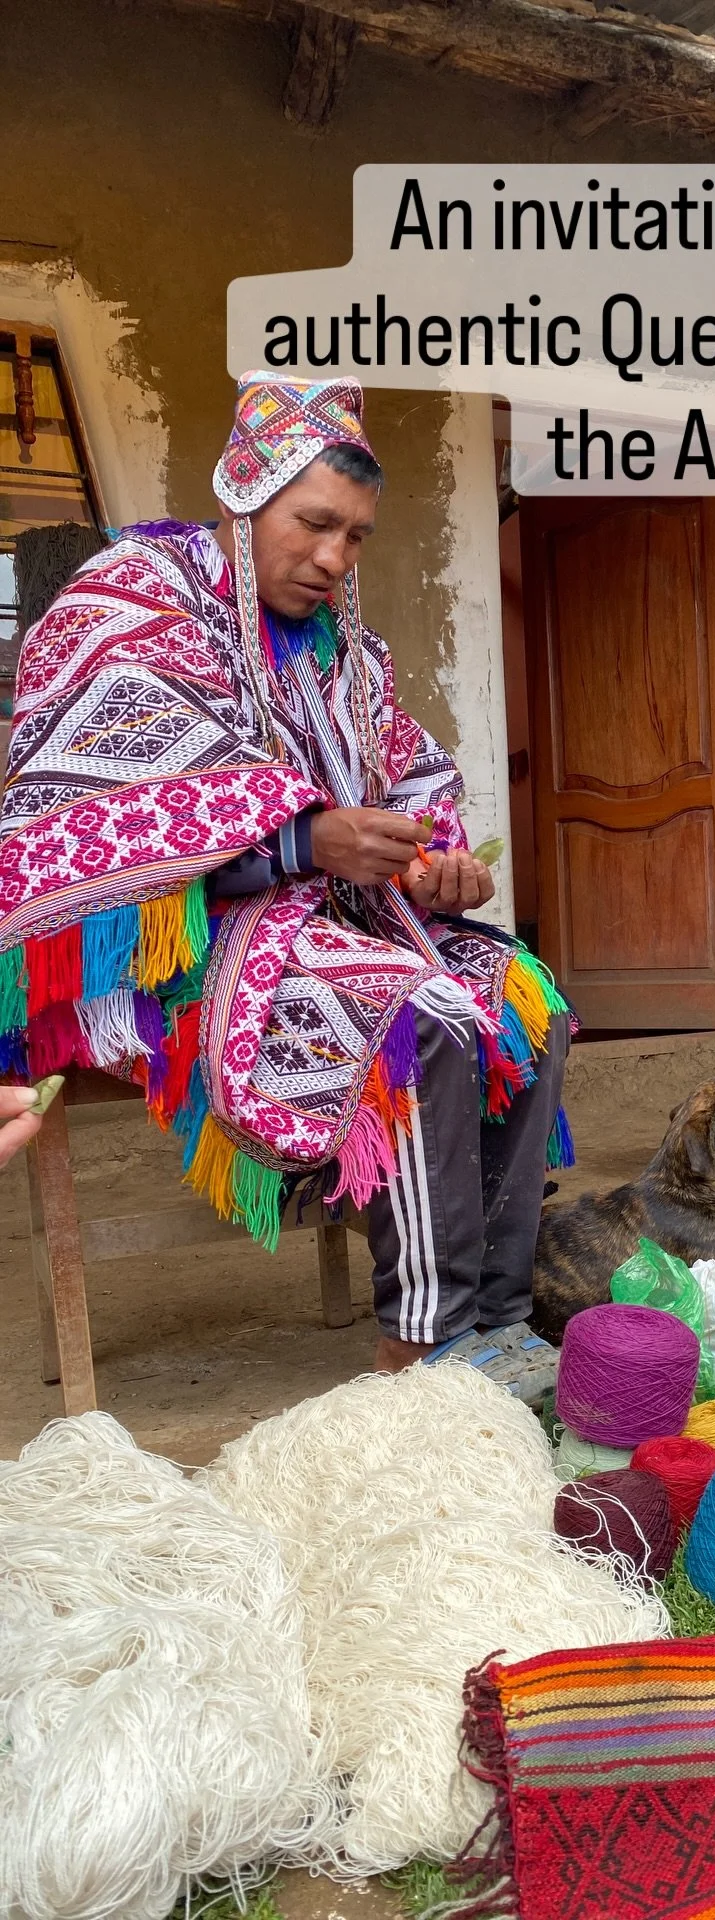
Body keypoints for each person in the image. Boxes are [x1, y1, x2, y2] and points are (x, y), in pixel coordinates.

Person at [0, 374, 571, 1399]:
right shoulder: (136, 598)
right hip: (174, 940)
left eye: (355, 537)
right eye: (315, 525)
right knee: (420, 1011)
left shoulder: (350, 656)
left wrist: (439, 866)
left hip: (336, 916)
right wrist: (305, 837)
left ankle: (501, 1314)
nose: (333, 559)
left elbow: (412, 787)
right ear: (244, 493)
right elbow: (104, 805)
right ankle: (422, 1347)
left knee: (525, 999)